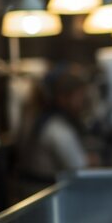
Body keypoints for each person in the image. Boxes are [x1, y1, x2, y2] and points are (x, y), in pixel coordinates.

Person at [17, 63, 96, 191]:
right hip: (45, 196)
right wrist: (92, 161)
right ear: (63, 98)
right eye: (79, 95)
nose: (83, 101)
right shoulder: (57, 129)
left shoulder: (43, 119)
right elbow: (78, 168)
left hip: (34, 192)